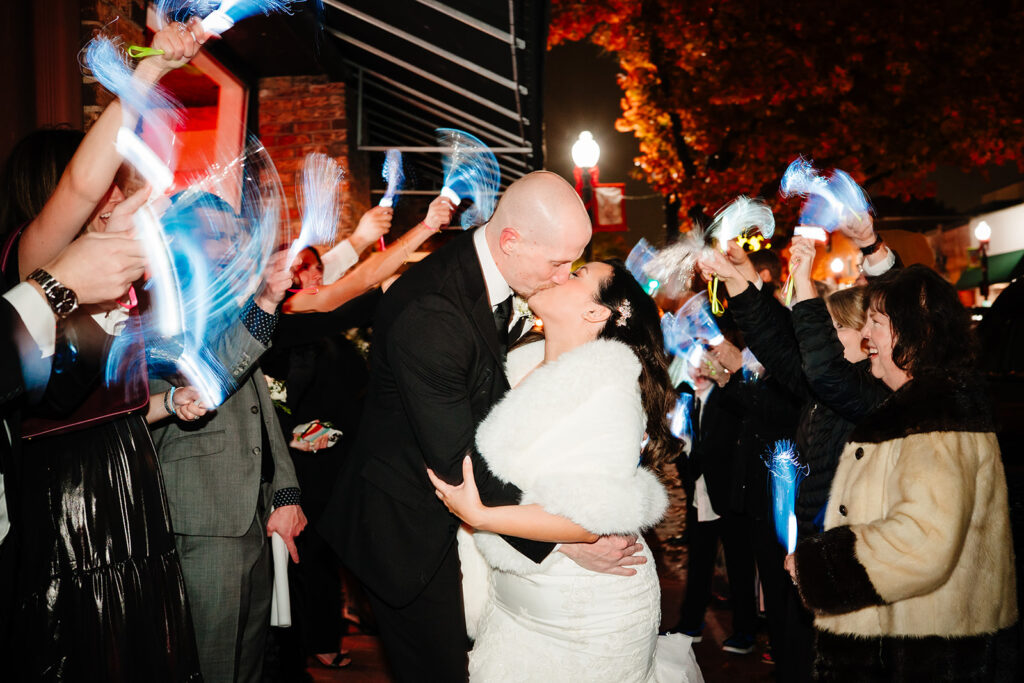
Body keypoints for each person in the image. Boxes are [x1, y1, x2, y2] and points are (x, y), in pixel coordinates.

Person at [318, 171, 648, 681]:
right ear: (511, 241)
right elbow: (456, 459)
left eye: (574, 268)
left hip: (485, 538)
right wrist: (563, 539)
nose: (563, 275)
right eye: (559, 263)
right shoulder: (435, 311)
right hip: (408, 527)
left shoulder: (506, 283)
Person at [0, 22, 211, 681]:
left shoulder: (107, 274)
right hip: (71, 495)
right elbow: (80, 189)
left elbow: (101, 403)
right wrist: (143, 79)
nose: (113, 190)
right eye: (106, 179)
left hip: (126, 473)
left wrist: (165, 402)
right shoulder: (32, 261)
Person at [426, 259, 700, 682]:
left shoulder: (609, 391)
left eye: (576, 274)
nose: (557, 273)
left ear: (596, 312)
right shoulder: (513, 365)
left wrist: (480, 516)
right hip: (510, 607)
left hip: (587, 620)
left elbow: (589, 520)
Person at [787, 265, 1019, 681]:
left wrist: (819, 566)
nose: (865, 337)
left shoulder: (937, 415)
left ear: (916, 333)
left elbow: (924, 540)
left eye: (877, 323)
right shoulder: (917, 406)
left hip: (927, 655)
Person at [264, 196, 457, 676]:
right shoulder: (277, 309)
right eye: (293, 268)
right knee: (301, 562)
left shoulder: (307, 312)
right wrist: (423, 229)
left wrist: (367, 241)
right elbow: (349, 284)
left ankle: (326, 638)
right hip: (289, 466)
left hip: (339, 455)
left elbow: (348, 284)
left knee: (330, 552)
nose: (303, 274)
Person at [697, 230, 895, 681]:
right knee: (794, 656)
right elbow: (779, 344)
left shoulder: (867, 392)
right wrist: (737, 284)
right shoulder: (824, 386)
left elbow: (815, 358)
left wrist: (803, 281)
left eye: (834, 328)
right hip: (809, 553)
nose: (822, 338)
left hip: (844, 564)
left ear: (866, 339)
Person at [148, 198, 307, 683]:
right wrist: (262, 303)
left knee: (248, 664)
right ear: (180, 242)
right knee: (210, 665)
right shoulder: (157, 306)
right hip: (203, 517)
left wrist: (285, 492)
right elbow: (209, 378)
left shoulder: (224, 304)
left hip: (250, 515)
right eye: (218, 235)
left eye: (235, 235)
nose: (231, 247)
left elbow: (258, 408)